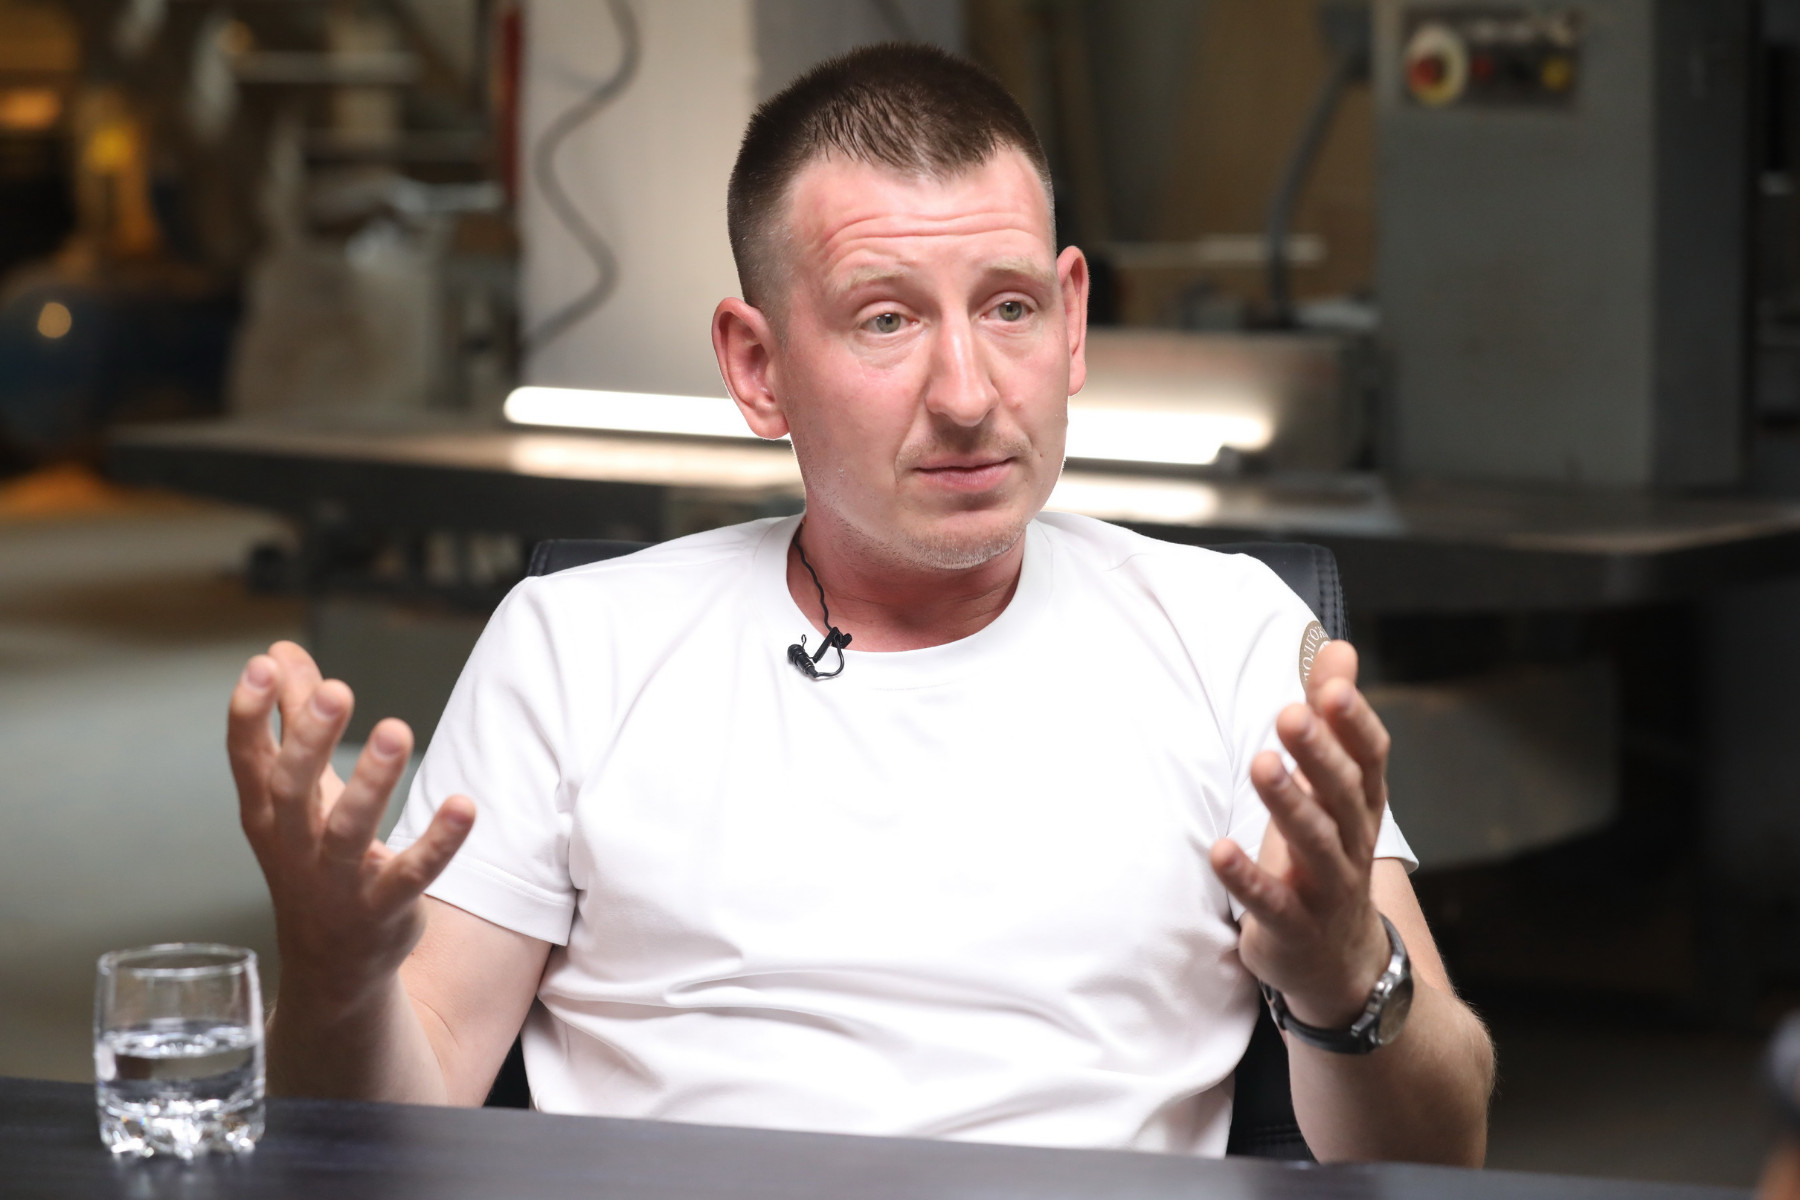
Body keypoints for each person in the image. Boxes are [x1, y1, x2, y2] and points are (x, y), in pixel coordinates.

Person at [226, 44, 1494, 1163]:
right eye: (886, 320)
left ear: (1073, 320)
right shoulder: (575, 647)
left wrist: (1347, 980)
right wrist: (336, 981)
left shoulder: (1227, 639)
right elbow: (391, 1127)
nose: (967, 393)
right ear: (757, 366)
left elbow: (1444, 1148)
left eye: (1009, 308)